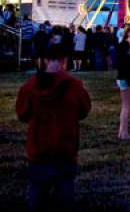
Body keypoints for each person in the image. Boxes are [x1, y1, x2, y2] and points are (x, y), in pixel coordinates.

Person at [15, 43, 91, 210]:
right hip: (65, 148)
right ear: (65, 60)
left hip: (39, 149)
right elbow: (84, 110)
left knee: (37, 197)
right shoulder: (74, 86)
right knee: (64, 196)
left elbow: (22, 114)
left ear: (45, 61)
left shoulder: (29, 87)